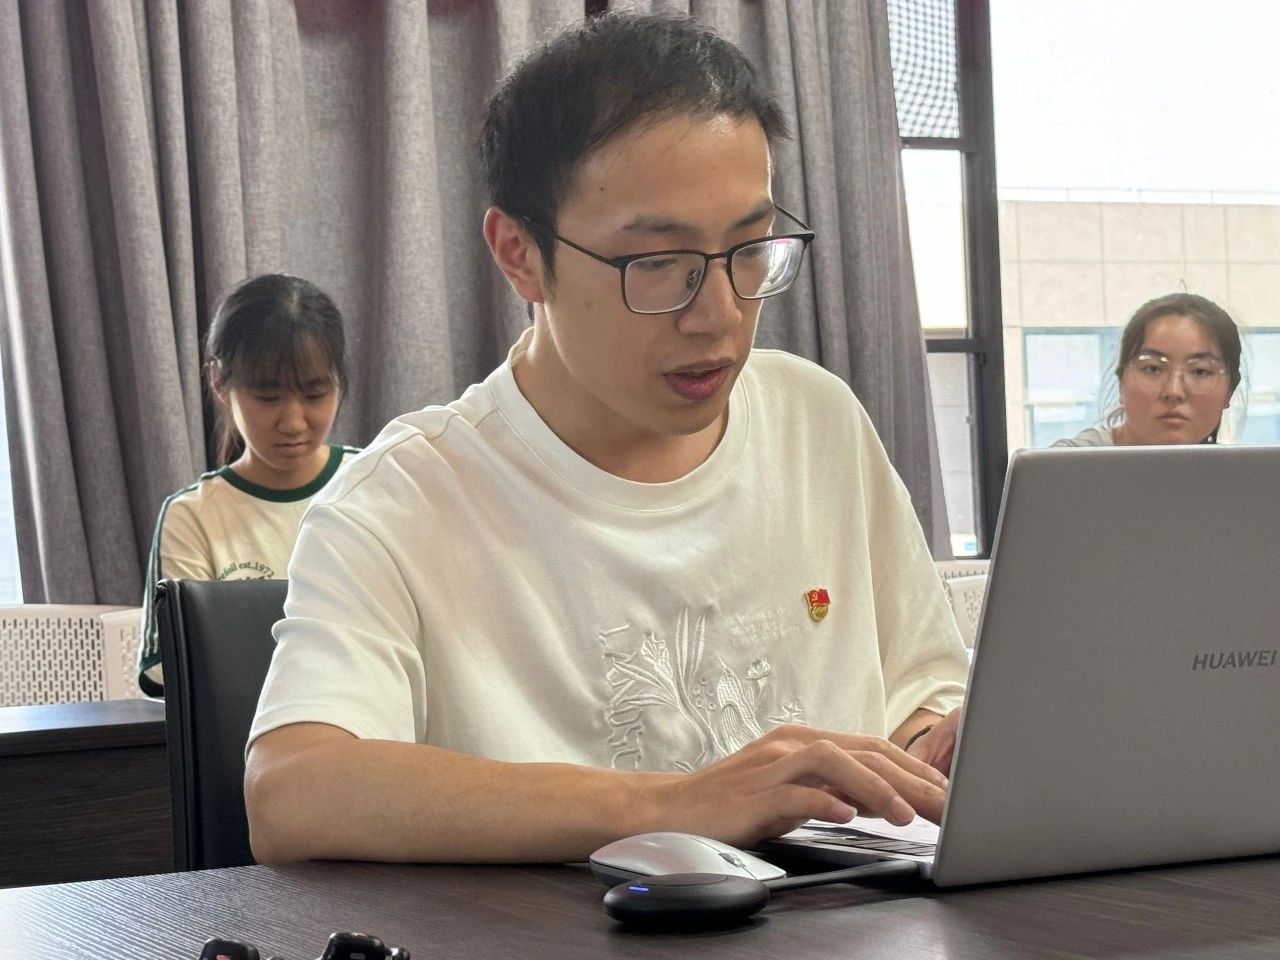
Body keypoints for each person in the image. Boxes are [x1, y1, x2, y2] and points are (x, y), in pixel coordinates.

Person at [245, 13, 968, 866]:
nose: (719, 315)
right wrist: (674, 805)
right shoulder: (404, 501)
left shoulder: (817, 420)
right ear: (519, 253)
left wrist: (933, 750)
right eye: (656, 264)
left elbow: (918, 696)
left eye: (749, 249)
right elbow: (292, 791)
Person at [136, 273, 357, 696]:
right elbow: (172, 671)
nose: (293, 422)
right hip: (244, 731)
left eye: (314, 394)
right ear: (219, 381)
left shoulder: (373, 481)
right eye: (268, 397)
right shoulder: (193, 516)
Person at [1052, 293, 1241, 448]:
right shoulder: (1063, 469)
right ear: (1121, 383)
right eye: (1153, 369)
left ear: (1229, 392)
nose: (1173, 391)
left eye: (1200, 371)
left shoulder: (1241, 476)